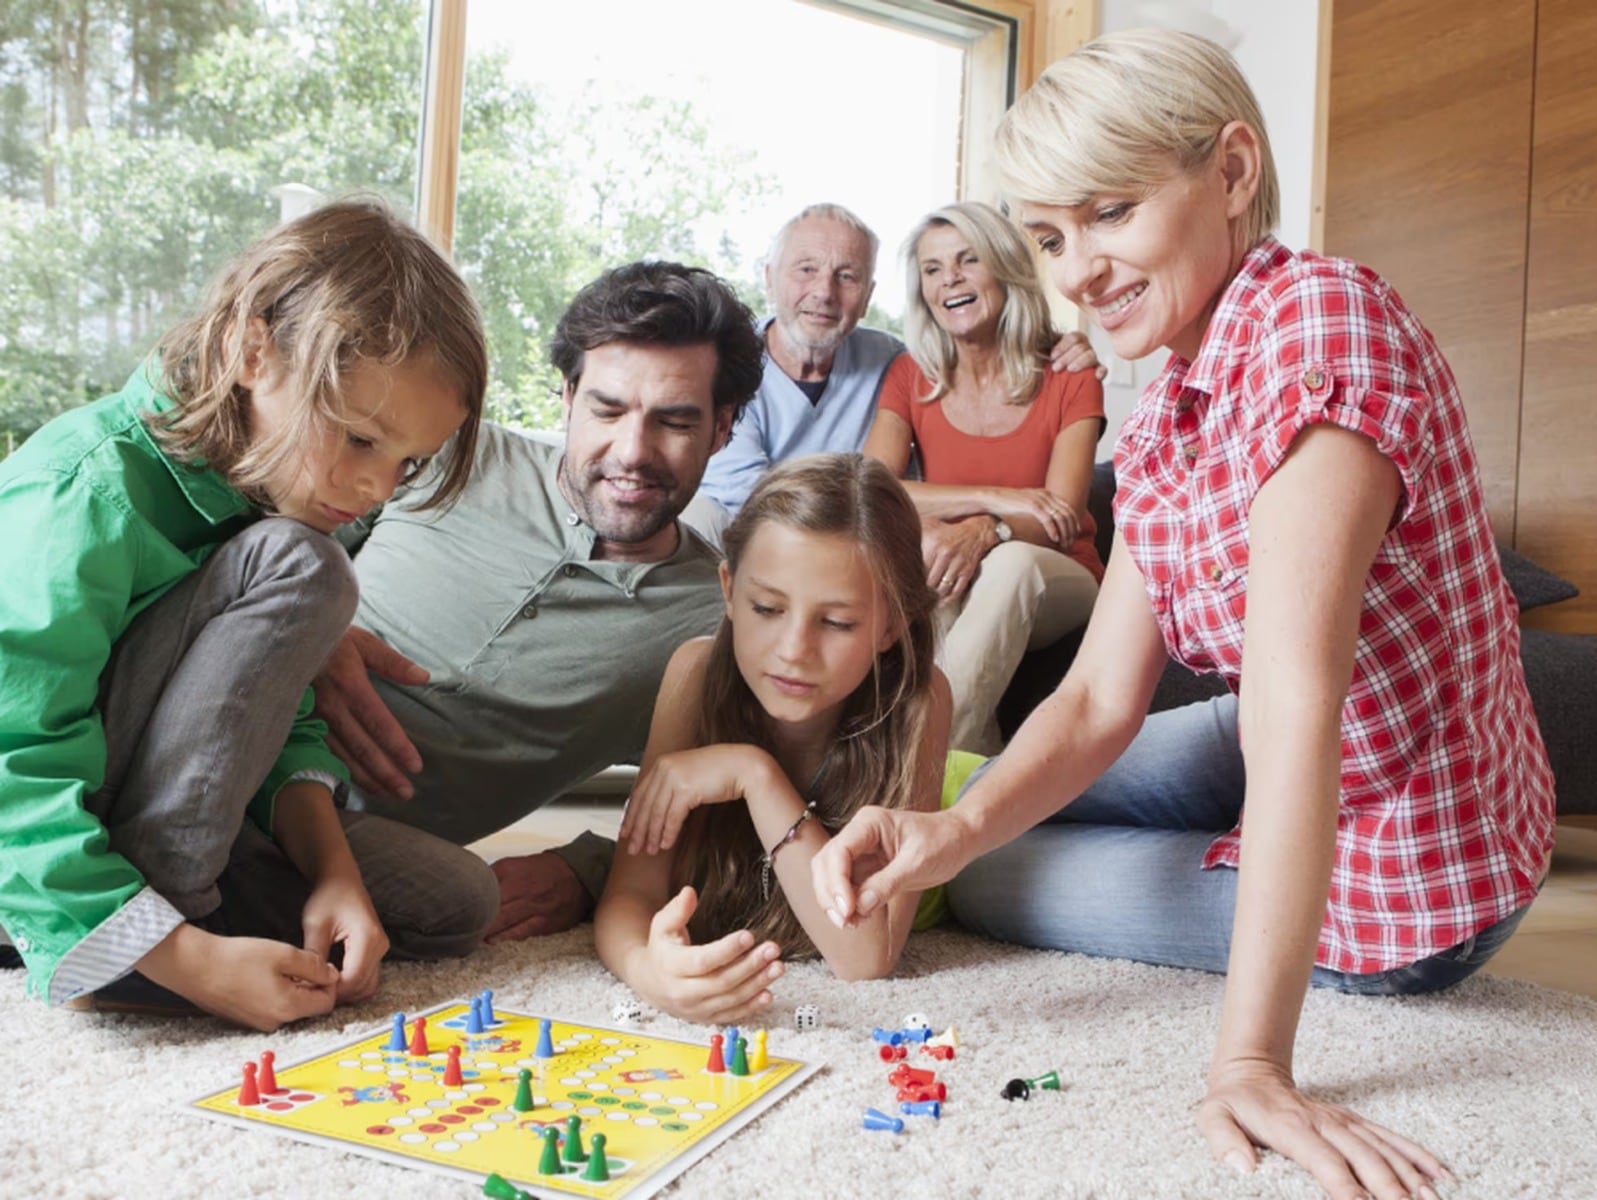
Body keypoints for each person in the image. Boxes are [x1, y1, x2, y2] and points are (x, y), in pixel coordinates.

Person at [812, 29, 1555, 1200]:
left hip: (1409, 852)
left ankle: (942, 837)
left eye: (1111, 213)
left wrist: (1251, 1062)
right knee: (971, 820)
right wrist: (945, 832)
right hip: (1307, 735)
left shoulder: (1323, 330)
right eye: (1051, 238)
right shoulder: (1163, 409)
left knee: (1004, 882)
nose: (1077, 274)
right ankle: (899, 823)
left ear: (1232, 170)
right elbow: (1101, 698)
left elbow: (1296, 713)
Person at [0, 199, 499, 1031]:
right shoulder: (82, 488)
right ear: (250, 349)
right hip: (47, 826)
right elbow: (14, 756)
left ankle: (169, 918)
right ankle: (141, 940)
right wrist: (187, 960)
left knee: (456, 901)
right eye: (359, 439)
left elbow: (265, 717)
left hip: (167, 811)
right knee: (306, 567)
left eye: (406, 461)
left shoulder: (267, 491)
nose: (377, 488)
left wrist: (333, 870)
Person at [311, 261, 766, 941]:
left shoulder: (710, 618)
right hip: (255, 719)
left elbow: (746, 817)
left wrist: (587, 872)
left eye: (673, 422)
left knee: (464, 901)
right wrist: (309, 635)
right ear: (567, 396)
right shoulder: (449, 449)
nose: (631, 452)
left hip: (355, 841)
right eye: (607, 410)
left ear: (723, 429)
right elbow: (280, 538)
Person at [595, 454, 951, 1023]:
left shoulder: (919, 699)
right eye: (766, 608)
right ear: (729, 590)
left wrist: (755, 776)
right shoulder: (693, 675)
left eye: (836, 623)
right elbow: (631, 892)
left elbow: (863, 955)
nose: (793, 650)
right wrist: (647, 969)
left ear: (890, 626)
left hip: (965, 799)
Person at [684, 202, 1100, 545]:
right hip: (770, 531)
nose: (824, 293)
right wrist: (999, 501)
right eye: (806, 269)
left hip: (863, 542)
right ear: (770, 279)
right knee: (700, 515)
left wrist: (1060, 343)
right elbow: (755, 498)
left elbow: (981, 340)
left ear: (866, 297)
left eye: (847, 276)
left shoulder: (891, 361)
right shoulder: (726, 367)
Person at [864, 201, 1105, 754]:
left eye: (968, 260)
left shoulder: (1069, 373)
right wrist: (991, 500)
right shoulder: (911, 376)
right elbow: (873, 491)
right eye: (932, 268)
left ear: (1002, 267)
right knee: (932, 576)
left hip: (1059, 576)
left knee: (1010, 564)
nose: (949, 278)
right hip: (960, 566)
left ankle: (919, 764)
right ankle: (970, 767)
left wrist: (988, 530)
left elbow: (1061, 518)